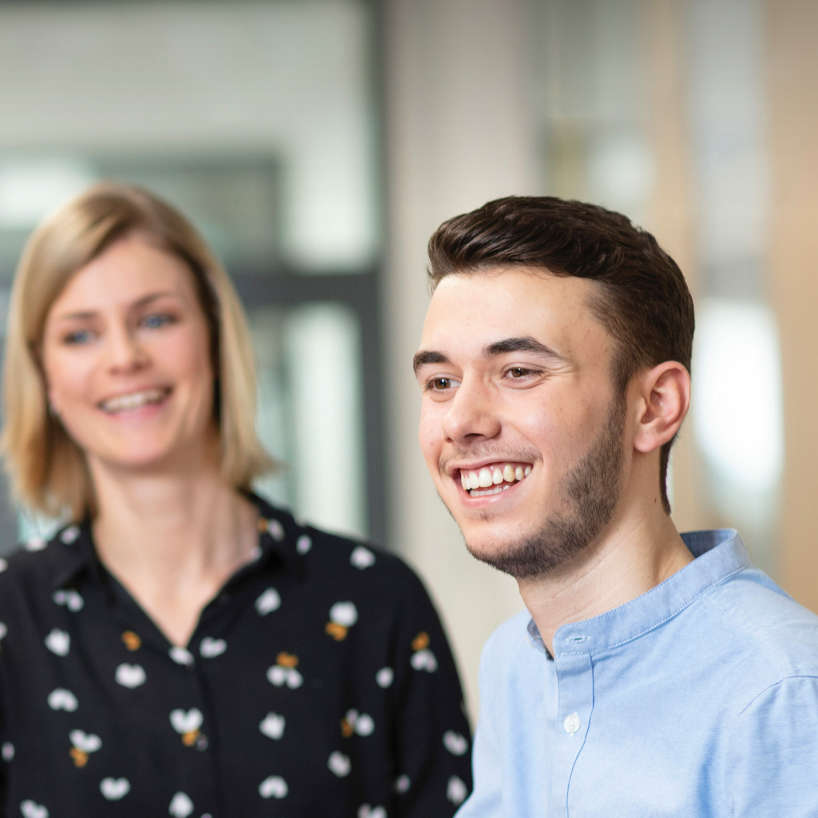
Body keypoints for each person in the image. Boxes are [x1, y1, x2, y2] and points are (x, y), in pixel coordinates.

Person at [0, 181, 471, 817]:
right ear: (46, 379)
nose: (124, 358)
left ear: (215, 340)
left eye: (156, 319)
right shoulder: (11, 620)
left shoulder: (375, 604)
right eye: (80, 335)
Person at [413, 195, 818, 817]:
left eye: (519, 371)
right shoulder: (514, 669)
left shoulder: (784, 694)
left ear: (654, 406)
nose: (462, 420)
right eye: (441, 382)